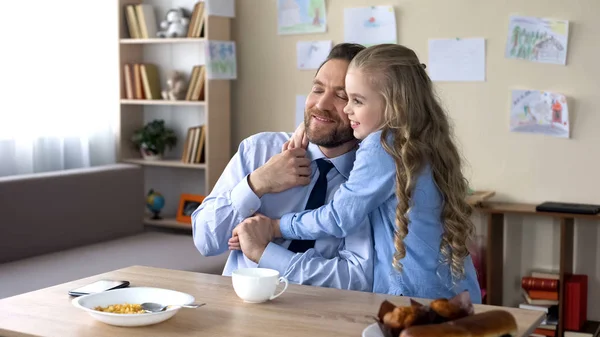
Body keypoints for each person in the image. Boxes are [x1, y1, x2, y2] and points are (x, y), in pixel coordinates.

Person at [230, 44, 482, 303]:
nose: (348, 109)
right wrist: (308, 126)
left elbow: (339, 217)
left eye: (356, 100)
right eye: (347, 98)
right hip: (452, 293)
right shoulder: (418, 139)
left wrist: (276, 226)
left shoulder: (382, 146)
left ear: (395, 105)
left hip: (417, 300)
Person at [192, 43, 374, 292]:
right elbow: (205, 241)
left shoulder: (370, 179)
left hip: (322, 318)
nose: (321, 104)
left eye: (341, 96)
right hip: (240, 311)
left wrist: (265, 253)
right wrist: (256, 183)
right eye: (317, 89)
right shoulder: (258, 150)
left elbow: (356, 279)